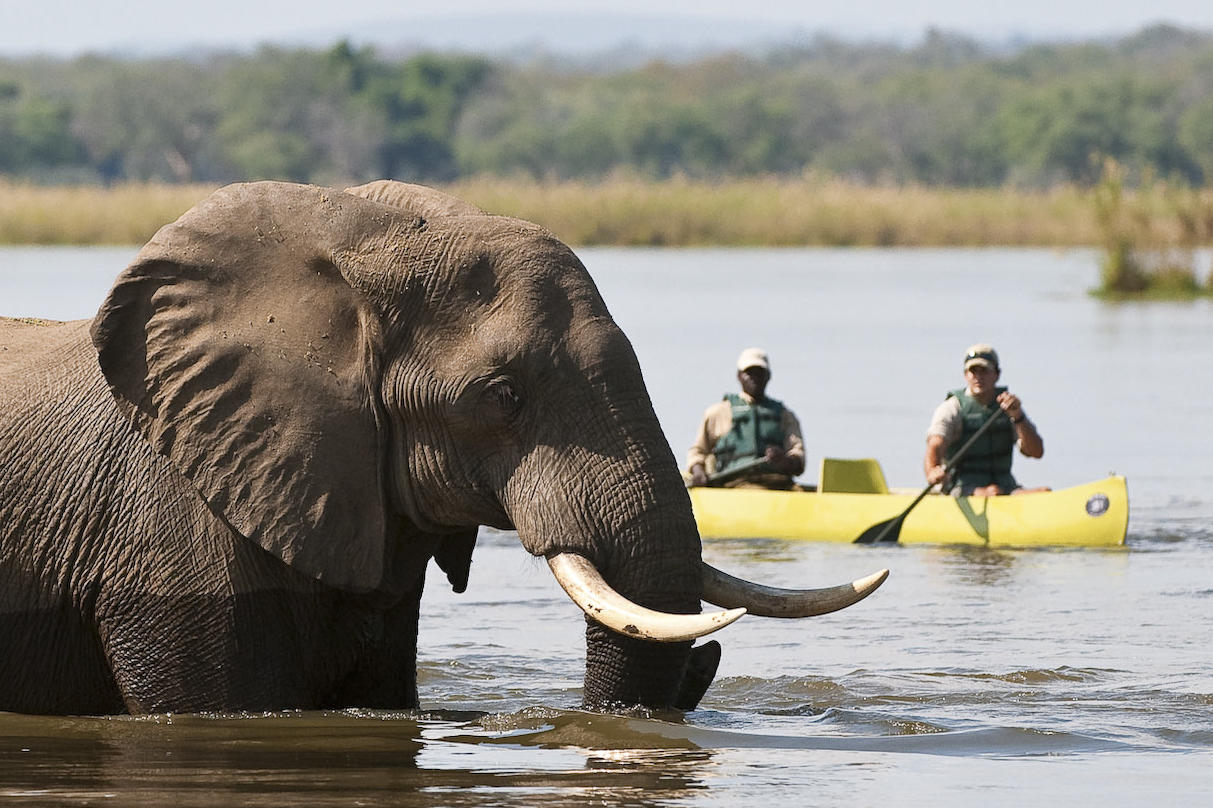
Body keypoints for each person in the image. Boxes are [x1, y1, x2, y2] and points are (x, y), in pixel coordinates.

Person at [924, 343, 1047, 496]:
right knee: (992, 492)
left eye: (984, 371)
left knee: (1044, 492)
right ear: (965, 375)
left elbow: (1036, 452)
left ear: (997, 374)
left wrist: (1018, 417)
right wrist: (933, 471)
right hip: (960, 487)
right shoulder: (951, 408)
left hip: (1005, 485)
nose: (978, 377)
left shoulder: (1009, 406)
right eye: (973, 371)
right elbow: (935, 445)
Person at [687, 348, 805, 489]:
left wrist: (784, 461)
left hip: (779, 484)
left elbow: (799, 456)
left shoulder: (785, 416)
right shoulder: (717, 412)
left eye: (760, 373)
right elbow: (698, 451)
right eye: (749, 373)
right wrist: (698, 471)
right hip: (735, 485)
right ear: (739, 376)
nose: (754, 378)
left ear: (768, 376)